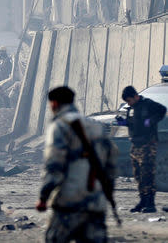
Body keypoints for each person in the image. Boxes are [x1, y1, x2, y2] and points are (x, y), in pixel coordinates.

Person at [36, 86, 118, 243]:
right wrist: (107, 192)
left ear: (54, 104)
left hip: (69, 202)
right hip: (96, 203)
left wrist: (43, 197)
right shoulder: (96, 126)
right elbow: (111, 163)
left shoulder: (59, 127)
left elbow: (54, 166)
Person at [119, 86, 166, 213]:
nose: (129, 103)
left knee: (147, 174)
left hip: (148, 144)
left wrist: (152, 120)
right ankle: (143, 201)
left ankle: (150, 204)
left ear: (135, 96)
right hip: (136, 144)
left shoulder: (148, 104)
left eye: (130, 100)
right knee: (138, 175)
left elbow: (162, 110)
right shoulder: (132, 108)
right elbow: (134, 123)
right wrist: (124, 122)